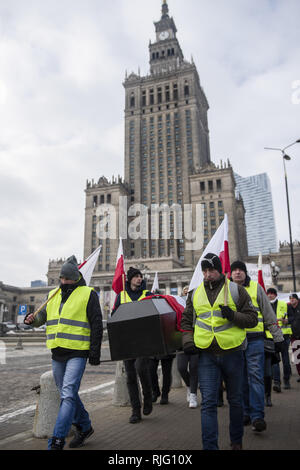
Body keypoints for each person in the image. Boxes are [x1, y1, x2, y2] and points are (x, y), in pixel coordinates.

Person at [24, 256, 103, 450]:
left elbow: (97, 325)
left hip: (78, 351)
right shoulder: (53, 294)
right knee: (66, 393)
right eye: (62, 278)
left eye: (68, 278)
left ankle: (56, 440)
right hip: (58, 351)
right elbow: (43, 316)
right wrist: (33, 320)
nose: (64, 282)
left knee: (67, 395)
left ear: (76, 277)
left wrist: (94, 352)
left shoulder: (88, 294)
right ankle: (85, 426)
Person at [181, 253, 258, 450]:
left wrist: (233, 315)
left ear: (220, 270)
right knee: (208, 404)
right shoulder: (194, 294)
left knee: (236, 401)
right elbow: (186, 321)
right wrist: (188, 340)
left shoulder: (236, 290)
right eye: (205, 271)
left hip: (233, 354)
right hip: (206, 355)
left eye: (212, 270)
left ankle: (236, 442)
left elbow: (252, 319)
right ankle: (210, 447)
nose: (208, 275)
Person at [230, 261, 284, 432]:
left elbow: (268, 313)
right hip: (235, 342)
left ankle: (257, 416)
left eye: (241, 270)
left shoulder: (256, 288)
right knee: (241, 380)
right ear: (230, 274)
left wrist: (278, 337)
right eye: (234, 270)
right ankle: (246, 412)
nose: (238, 273)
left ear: (246, 273)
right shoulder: (226, 290)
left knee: (255, 377)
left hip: (255, 340)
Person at [111, 267, 153, 424]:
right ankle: (135, 410)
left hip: (142, 340)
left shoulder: (146, 295)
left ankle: (148, 396)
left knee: (141, 368)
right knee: (130, 377)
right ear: (129, 279)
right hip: (126, 341)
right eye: (136, 276)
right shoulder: (121, 296)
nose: (139, 279)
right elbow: (114, 316)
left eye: (140, 276)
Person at [266, 288, 292, 391]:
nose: (270, 296)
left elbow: (291, 317)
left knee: (285, 360)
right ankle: (277, 382)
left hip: (284, 336)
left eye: (272, 294)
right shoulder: (265, 305)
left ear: (275, 295)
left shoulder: (284, 304)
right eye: (268, 294)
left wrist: (287, 320)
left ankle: (286, 380)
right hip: (271, 336)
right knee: (275, 361)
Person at [287, 294, 300, 382]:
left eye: (293, 298)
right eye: (290, 299)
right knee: (296, 357)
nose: (292, 300)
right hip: (294, 336)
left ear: (297, 299)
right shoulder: (288, 308)